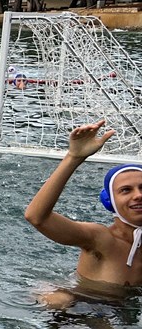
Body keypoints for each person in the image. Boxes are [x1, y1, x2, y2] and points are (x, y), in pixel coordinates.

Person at [25, 119, 142, 300]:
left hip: (121, 311)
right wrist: (74, 158)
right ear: (109, 201)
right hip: (81, 306)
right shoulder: (101, 238)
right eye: (126, 190)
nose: (138, 195)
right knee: (59, 300)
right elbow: (37, 217)